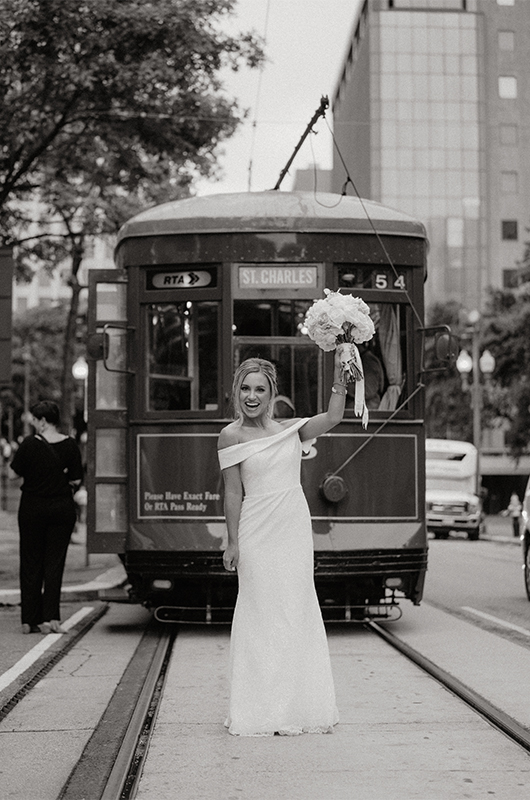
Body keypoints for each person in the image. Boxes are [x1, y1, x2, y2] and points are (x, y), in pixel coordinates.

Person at [217, 353, 346, 736]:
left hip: (292, 528)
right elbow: (232, 493)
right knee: (260, 613)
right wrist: (233, 542)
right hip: (257, 531)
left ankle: (298, 707)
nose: (251, 396)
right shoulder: (230, 435)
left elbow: (335, 416)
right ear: (236, 392)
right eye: (245, 388)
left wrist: (342, 370)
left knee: (294, 611)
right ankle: (258, 710)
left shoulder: (292, 430)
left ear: (272, 393)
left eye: (260, 388)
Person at [9, 400, 83, 634]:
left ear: (41, 421)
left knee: (31, 562)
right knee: (54, 563)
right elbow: (76, 480)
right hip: (61, 509)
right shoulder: (70, 445)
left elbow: (12, 473)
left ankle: (29, 621)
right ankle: (52, 619)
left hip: (32, 509)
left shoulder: (30, 444)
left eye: (34, 419)